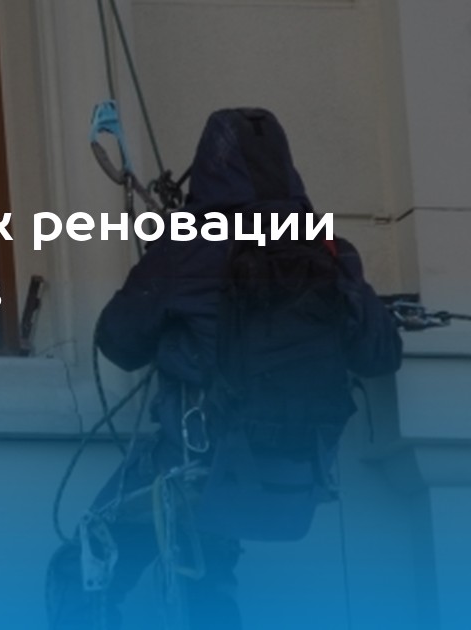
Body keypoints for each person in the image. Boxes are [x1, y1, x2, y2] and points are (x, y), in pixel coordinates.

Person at [47, 108, 403, 629]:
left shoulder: (186, 249)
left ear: (209, 170)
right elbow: (380, 355)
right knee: (206, 582)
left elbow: (119, 344)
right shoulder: (328, 251)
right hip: (297, 464)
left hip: (195, 463)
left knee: (81, 571)